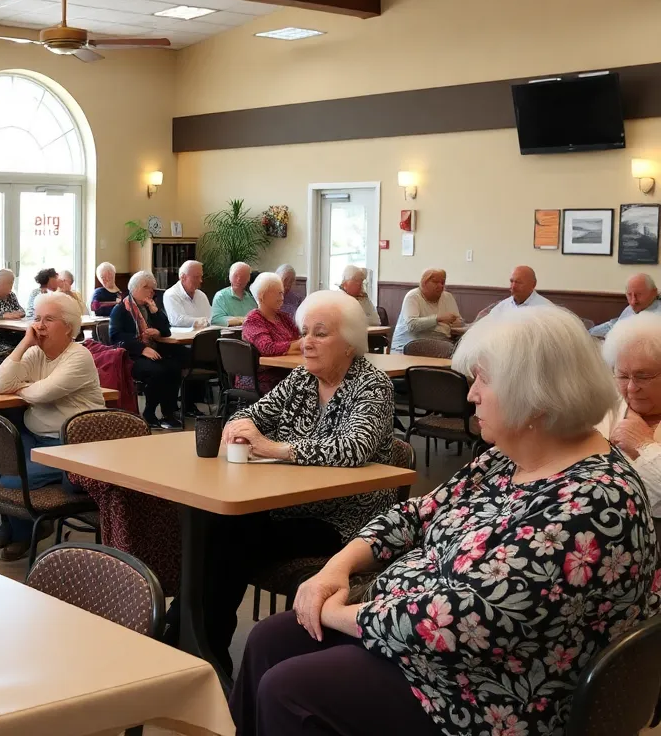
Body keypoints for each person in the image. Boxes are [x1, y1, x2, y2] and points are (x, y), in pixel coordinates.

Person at [230, 306, 660, 736]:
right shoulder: (507, 458)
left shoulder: (593, 504)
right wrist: (337, 567)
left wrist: (336, 611)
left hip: (485, 692)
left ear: (535, 396)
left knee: (287, 691)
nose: (471, 394)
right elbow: (417, 513)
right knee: (269, 639)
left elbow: (459, 622)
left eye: (483, 380)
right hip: (418, 633)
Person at [203, 290, 395, 675]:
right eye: (305, 331)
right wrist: (240, 430)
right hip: (289, 506)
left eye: (320, 333)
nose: (306, 341)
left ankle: (203, 642)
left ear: (350, 344)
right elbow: (251, 414)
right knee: (220, 526)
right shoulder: (301, 380)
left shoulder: (373, 386)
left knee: (231, 539)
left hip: (345, 522)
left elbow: (353, 448)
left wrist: (273, 448)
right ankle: (204, 641)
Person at [0, 292, 106, 561]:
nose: (39, 325)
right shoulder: (35, 352)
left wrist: (22, 389)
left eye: (49, 319)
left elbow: (43, 394)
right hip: (36, 436)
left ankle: (26, 532)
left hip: (72, 446)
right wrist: (24, 343)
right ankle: (15, 526)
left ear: (68, 327)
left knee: (11, 478)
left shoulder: (79, 356)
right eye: (37, 318)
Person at [599, 311, 661, 517]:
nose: (632, 388)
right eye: (623, 376)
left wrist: (643, 445)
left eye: (644, 377)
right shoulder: (604, 404)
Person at [110, 270, 183, 430]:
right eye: (146, 287)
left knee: (175, 367)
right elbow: (116, 337)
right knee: (158, 371)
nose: (150, 291)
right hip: (131, 356)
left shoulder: (151, 307)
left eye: (152, 288)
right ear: (134, 289)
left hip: (154, 351)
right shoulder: (122, 309)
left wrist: (156, 320)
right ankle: (149, 413)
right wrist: (142, 349)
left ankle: (168, 413)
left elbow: (166, 330)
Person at [241, 271, 302, 394]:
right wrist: (295, 345)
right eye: (278, 294)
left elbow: (299, 338)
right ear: (262, 296)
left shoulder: (283, 317)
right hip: (261, 377)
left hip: (284, 371)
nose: (282, 298)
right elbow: (267, 348)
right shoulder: (253, 320)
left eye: (282, 293)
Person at [390, 268, 461, 353]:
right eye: (435, 282)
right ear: (424, 283)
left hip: (441, 346)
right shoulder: (413, 296)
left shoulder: (448, 297)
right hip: (407, 347)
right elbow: (412, 325)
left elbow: (458, 323)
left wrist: (470, 326)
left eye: (442, 282)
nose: (440, 286)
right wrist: (438, 319)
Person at [590, 273, 661, 338]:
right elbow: (613, 325)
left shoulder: (657, 316)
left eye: (639, 295)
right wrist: (586, 334)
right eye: (629, 295)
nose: (633, 301)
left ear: (654, 292)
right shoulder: (630, 308)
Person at [478, 265, 553, 320]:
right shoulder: (501, 307)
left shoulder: (546, 308)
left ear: (533, 284)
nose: (513, 287)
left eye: (519, 282)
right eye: (511, 281)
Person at [164, 260, 211, 328]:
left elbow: (210, 316)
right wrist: (201, 321)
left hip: (203, 335)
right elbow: (177, 320)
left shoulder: (201, 295)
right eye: (196, 277)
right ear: (183, 277)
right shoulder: (171, 294)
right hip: (182, 337)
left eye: (201, 276)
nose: (200, 280)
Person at [212, 261, 256, 327]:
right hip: (230, 335)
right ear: (229, 277)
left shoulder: (251, 299)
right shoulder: (221, 296)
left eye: (243, 276)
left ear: (248, 279)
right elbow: (216, 319)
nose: (239, 279)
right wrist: (240, 320)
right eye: (235, 275)